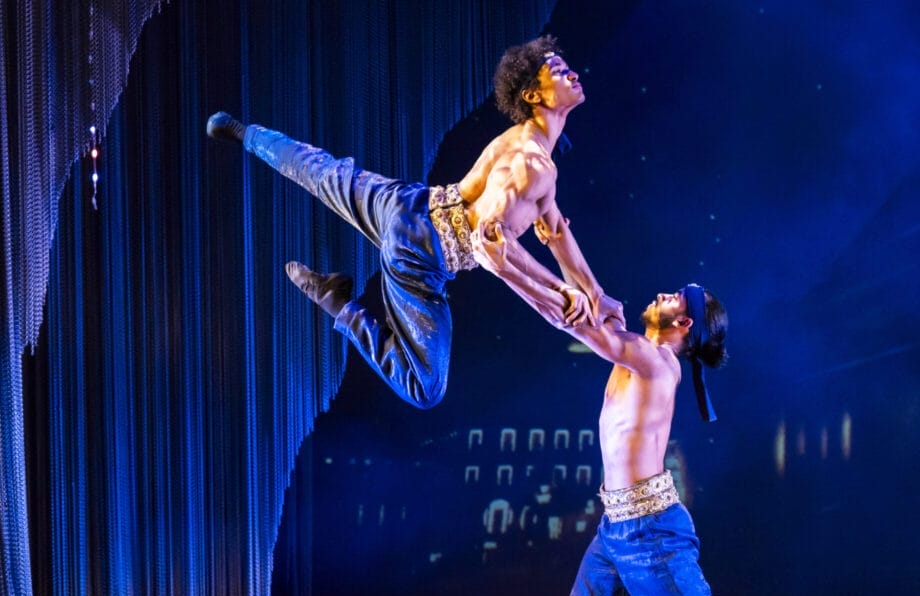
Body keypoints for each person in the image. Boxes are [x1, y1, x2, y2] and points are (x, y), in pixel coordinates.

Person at [205, 36, 620, 409]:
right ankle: (338, 305)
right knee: (425, 388)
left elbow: (557, 232)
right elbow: (489, 246)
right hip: (421, 255)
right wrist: (558, 291)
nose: (574, 74)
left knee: (323, 172)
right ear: (534, 94)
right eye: (561, 72)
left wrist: (595, 294)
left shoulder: (528, 147)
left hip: (408, 204)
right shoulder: (532, 165)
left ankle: (244, 134)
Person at [472, 229, 781, 596]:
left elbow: (568, 316)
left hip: (653, 533)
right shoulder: (634, 344)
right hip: (615, 532)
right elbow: (587, 293)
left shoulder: (656, 361)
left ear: (683, 321)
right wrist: (556, 234)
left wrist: (503, 263)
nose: (662, 294)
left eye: (675, 298)